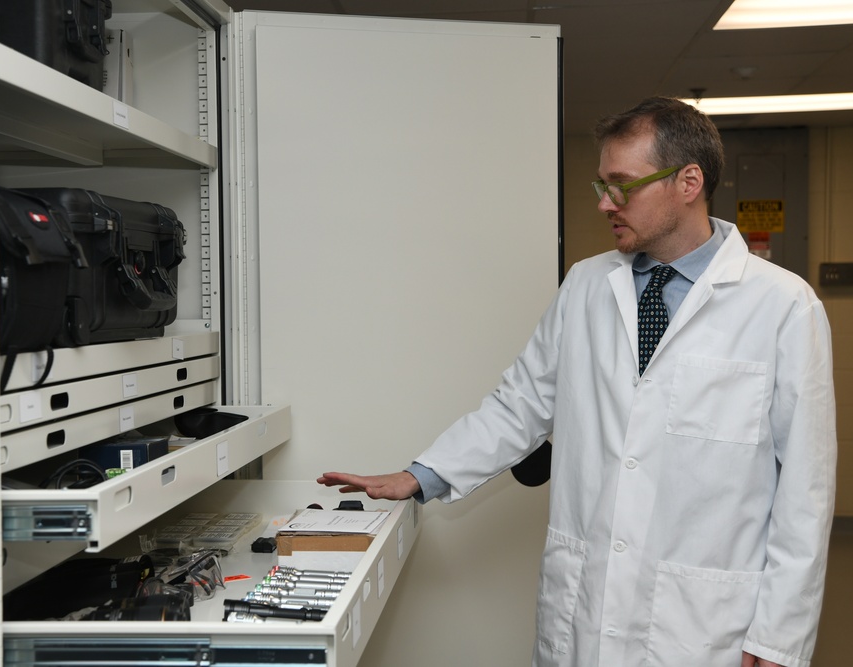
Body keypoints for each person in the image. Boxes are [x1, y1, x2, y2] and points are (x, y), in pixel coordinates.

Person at [318, 96, 836, 667]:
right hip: (586, 611)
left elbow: (805, 493)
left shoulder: (782, 306)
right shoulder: (586, 286)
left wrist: (777, 638)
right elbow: (520, 404)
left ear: (689, 182)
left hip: (706, 625)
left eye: (622, 185)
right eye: (601, 186)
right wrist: (421, 476)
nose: (605, 204)